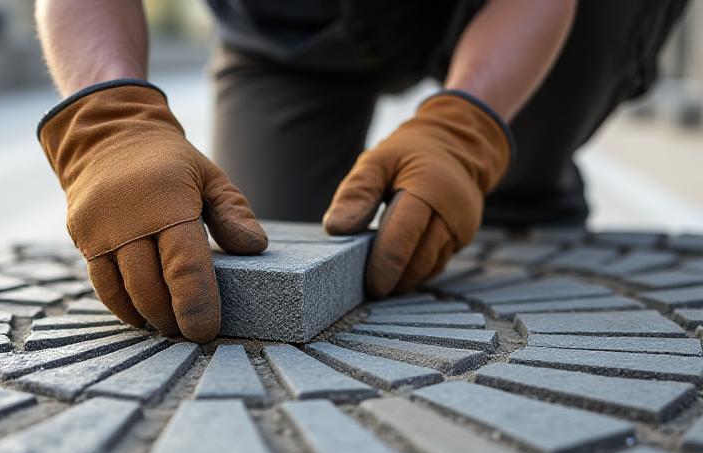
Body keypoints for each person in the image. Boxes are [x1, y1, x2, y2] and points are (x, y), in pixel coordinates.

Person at [34, 0, 686, 342]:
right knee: (264, 249)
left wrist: (467, 130)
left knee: (465, 188)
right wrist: (110, 117)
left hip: (491, 6)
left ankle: (523, 183)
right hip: (290, 30)